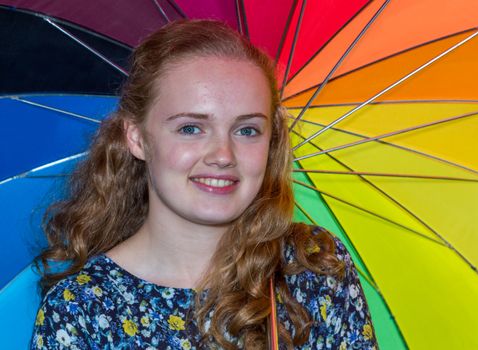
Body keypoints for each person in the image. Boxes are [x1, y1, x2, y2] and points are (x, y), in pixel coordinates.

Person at [30, 20, 377, 349]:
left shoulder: (312, 268)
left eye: (247, 130)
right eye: (191, 128)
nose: (223, 155)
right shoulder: (80, 311)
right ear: (136, 137)